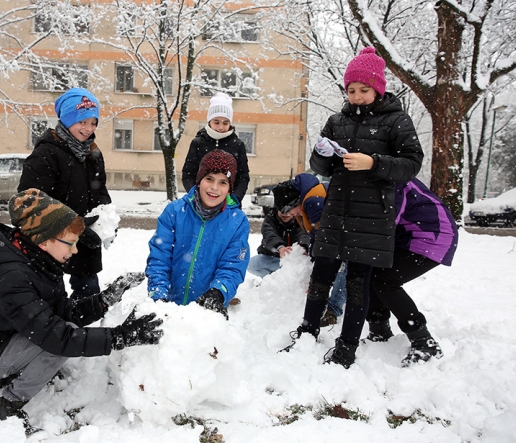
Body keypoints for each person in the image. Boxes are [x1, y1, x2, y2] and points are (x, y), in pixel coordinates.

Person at [0, 189, 163, 423]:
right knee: (56, 345)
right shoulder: (12, 277)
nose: (75, 250)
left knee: (59, 332)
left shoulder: (40, 262)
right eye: (70, 243)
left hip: (0, 340)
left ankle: (11, 372)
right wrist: (122, 336)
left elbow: (62, 311)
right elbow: (59, 339)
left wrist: (106, 298)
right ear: (43, 240)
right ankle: (8, 402)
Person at [288, 47, 424, 368]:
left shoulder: (396, 121)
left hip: (373, 218)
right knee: (321, 275)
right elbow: (320, 165)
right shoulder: (337, 121)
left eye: (364, 90)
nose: (357, 96)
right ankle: (307, 330)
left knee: (357, 284)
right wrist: (322, 153)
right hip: (337, 213)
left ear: (378, 88)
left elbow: (411, 164)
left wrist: (372, 162)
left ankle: (346, 346)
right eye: (351, 90)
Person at [18, 87, 111, 299]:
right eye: (82, 122)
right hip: (52, 240)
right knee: (51, 295)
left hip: (85, 241)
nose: (89, 128)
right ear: (68, 120)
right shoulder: (46, 153)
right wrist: (72, 226)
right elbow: (30, 202)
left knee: (88, 294)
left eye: (93, 122)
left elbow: (100, 190)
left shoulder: (93, 153)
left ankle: (84, 327)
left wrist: (106, 220)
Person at [364, 178, 458, 366]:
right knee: (373, 275)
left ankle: (425, 342)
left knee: (386, 281)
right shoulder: (383, 177)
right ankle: (379, 331)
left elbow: (386, 222)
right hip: (410, 236)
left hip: (434, 236)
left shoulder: (392, 181)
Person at [147, 150, 251, 319]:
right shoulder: (175, 211)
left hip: (207, 314)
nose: (214, 187)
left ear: (229, 188)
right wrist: (159, 294)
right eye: (209, 178)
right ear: (199, 180)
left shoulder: (237, 221)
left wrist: (218, 292)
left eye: (223, 182)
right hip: (169, 308)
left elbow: (232, 266)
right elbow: (160, 257)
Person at [248, 173, 348, 323]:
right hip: (278, 259)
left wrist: (316, 277)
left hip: (349, 243)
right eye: (285, 212)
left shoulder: (312, 202)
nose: (291, 215)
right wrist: (280, 248)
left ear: (294, 202)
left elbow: (317, 240)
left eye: (291, 211)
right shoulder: (279, 216)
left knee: (345, 268)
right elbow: (269, 235)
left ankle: (332, 311)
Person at [181, 92, 250, 204]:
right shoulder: (198, 143)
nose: (221, 127)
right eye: (216, 122)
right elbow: (188, 174)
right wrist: (196, 196)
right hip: (200, 203)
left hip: (227, 205)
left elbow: (243, 177)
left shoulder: (237, 145)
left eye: (225, 122)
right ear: (209, 121)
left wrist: (234, 199)